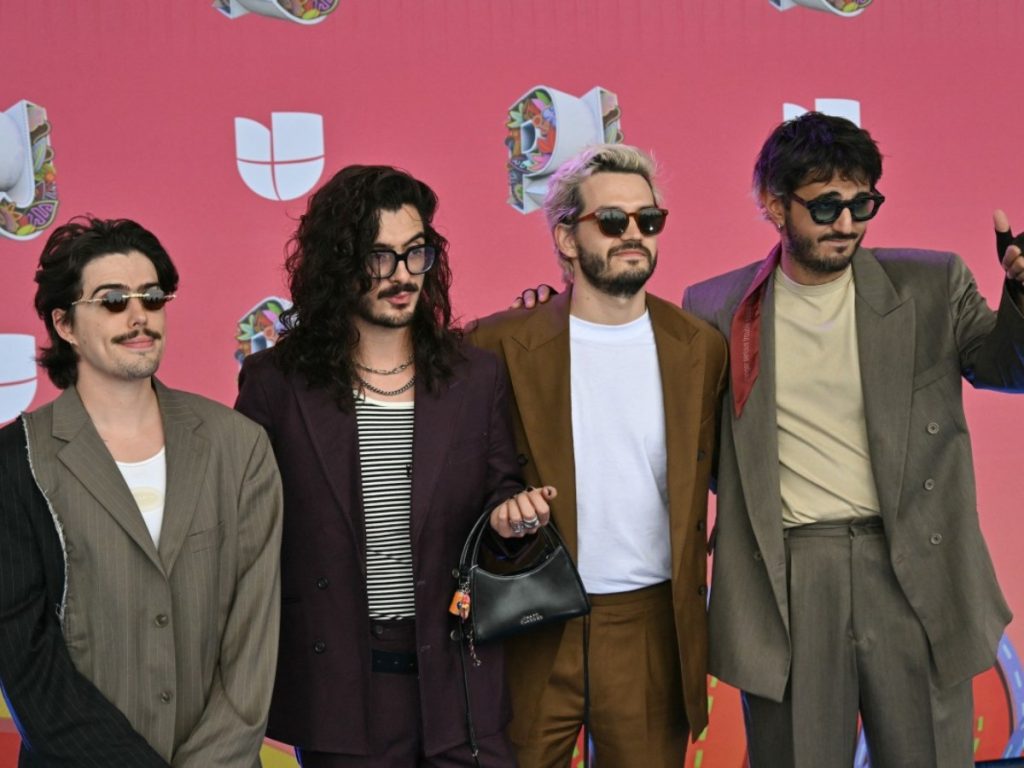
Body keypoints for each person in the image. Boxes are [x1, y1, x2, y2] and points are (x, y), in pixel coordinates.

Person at [681, 111, 1024, 766]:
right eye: (827, 205)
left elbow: (1006, 365)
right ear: (774, 205)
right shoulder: (716, 309)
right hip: (787, 576)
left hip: (914, 566)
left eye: (862, 202)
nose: (847, 224)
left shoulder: (930, 285)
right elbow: (688, 442)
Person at [235, 164, 552, 767]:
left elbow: (499, 490)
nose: (402, 275)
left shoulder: (472, 375)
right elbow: (247, 531)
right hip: (341, 688)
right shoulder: (276, 383)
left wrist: (511, 520)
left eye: (415, 253)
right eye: (378, 257)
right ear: (336, 262)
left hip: (458, 678)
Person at [469, 144, 728, 768]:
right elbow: (465, 473)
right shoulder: (495, 344)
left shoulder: (700, 348)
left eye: (649, 220)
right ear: (566, 237)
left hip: (648, 623)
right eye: (612, 221)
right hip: (530, 619)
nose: (633, 235)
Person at [0, 216, 283, 767]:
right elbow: (28, 663)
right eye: (111, 301)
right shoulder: (16, 461)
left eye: (152, 298)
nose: (138, 317)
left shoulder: (239, 447)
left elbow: (253, 649)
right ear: (64, 323)